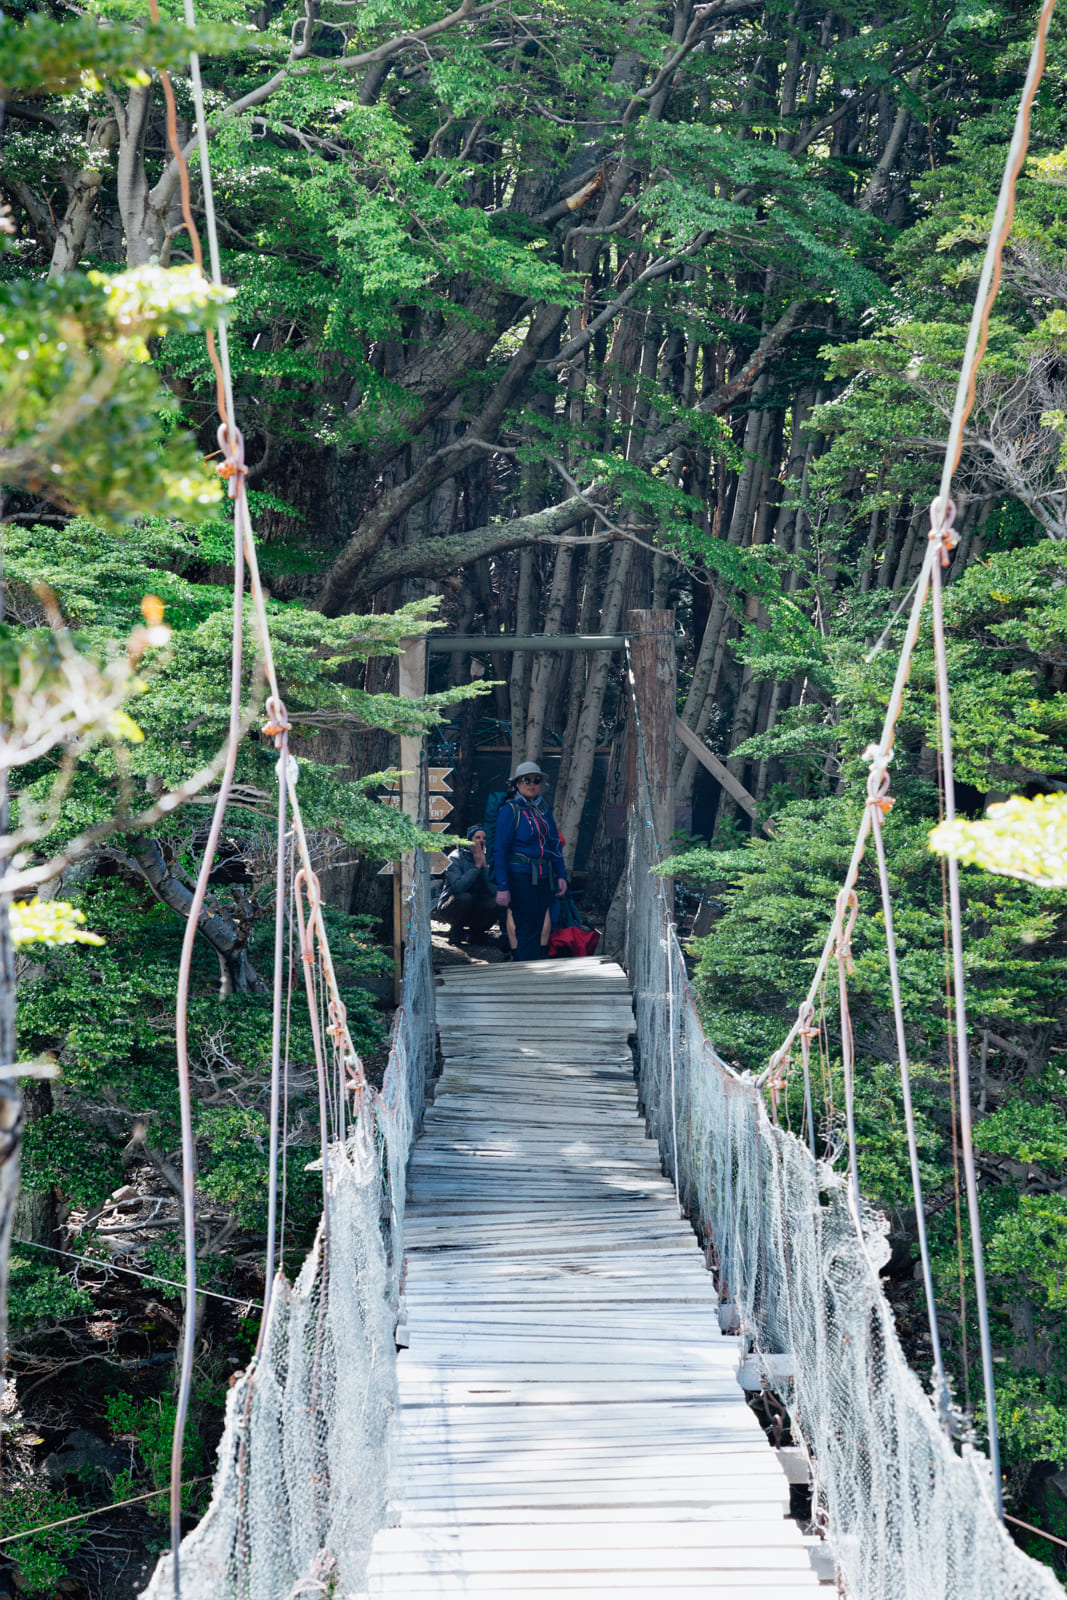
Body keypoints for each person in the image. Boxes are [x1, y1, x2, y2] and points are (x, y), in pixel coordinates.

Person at [493, 761, 567, 962]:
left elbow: (554, 844)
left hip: (543, 877)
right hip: (520, 877)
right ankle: (525, 972)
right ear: (517, 783)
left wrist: (561, 875)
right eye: (526, 780)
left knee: (538, 924)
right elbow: (499, 850)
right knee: (525, 926)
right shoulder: (510, 810)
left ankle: (530, 969)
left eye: (536, 780)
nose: (531, 784)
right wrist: (502, 886)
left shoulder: (543, 809)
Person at [439, 826, 498, 946]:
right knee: (464, 897)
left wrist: (485, 867)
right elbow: (458, 887)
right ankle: (456, 930)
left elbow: (495, 891)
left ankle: (477, 933)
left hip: (478, 906)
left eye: (484, 838)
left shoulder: (490, 858)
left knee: (497, 900)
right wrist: (476, 867)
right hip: (451, 907)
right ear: (469, 840)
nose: (481, 841)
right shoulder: (455, 857)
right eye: (477, 837)